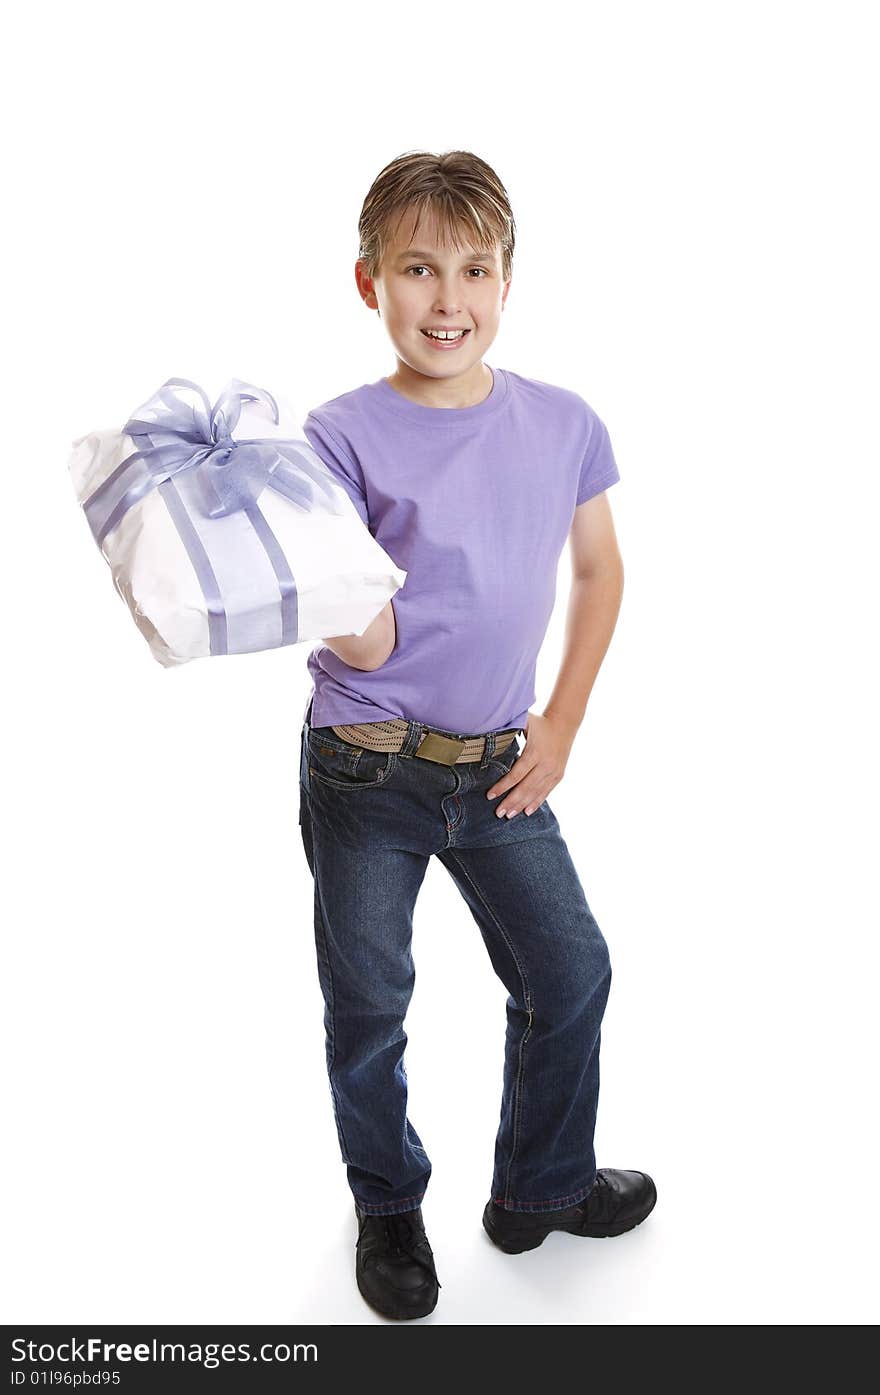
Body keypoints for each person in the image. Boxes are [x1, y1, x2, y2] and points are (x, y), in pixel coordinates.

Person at [297, 150, 656, 1322]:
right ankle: (388, 1206)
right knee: (370, 1002)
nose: (445, 298)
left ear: (506, 285)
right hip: (366, 767)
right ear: (368, 284)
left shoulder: (563, 423)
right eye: (415, 269)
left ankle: (539, 1188)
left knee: (570, 969)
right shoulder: (336, 436)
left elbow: (600, 571)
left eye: (471, 269)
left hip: (502, 764)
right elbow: (372, 633)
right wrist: (305, 576)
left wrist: (560, 721)